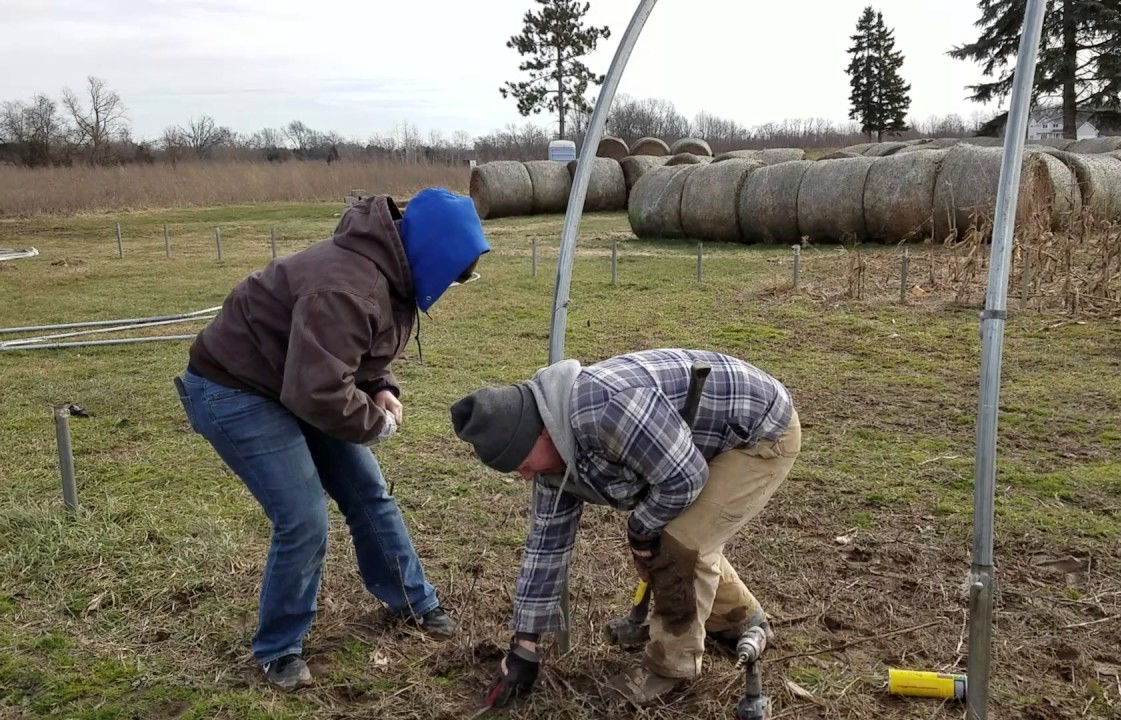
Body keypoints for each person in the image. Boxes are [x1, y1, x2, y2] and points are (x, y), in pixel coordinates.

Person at [174, 187, 490, 691]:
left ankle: (413, 601)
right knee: (302, 516)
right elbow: (317, 390)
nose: (454, 283)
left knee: (368, 492)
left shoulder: (393, 275)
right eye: (455, 271)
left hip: (291, 379)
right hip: (234, 386)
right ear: (433, 253)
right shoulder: (348, 286)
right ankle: (279, 648)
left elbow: (356, 353)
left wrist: (381, 387)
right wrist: (374, 423)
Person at [449, 348, 802, 707]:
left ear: (542, 433)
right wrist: (525, 645)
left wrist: (641, 531)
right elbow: (546, 547)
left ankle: (670, 668)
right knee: (677, 537)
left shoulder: (606, 411)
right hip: (694, 448)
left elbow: (684, 478)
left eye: (523, 463)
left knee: (681, 541)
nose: (526, 475)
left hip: (759, 433)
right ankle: (742, 618)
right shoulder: (554, 454)